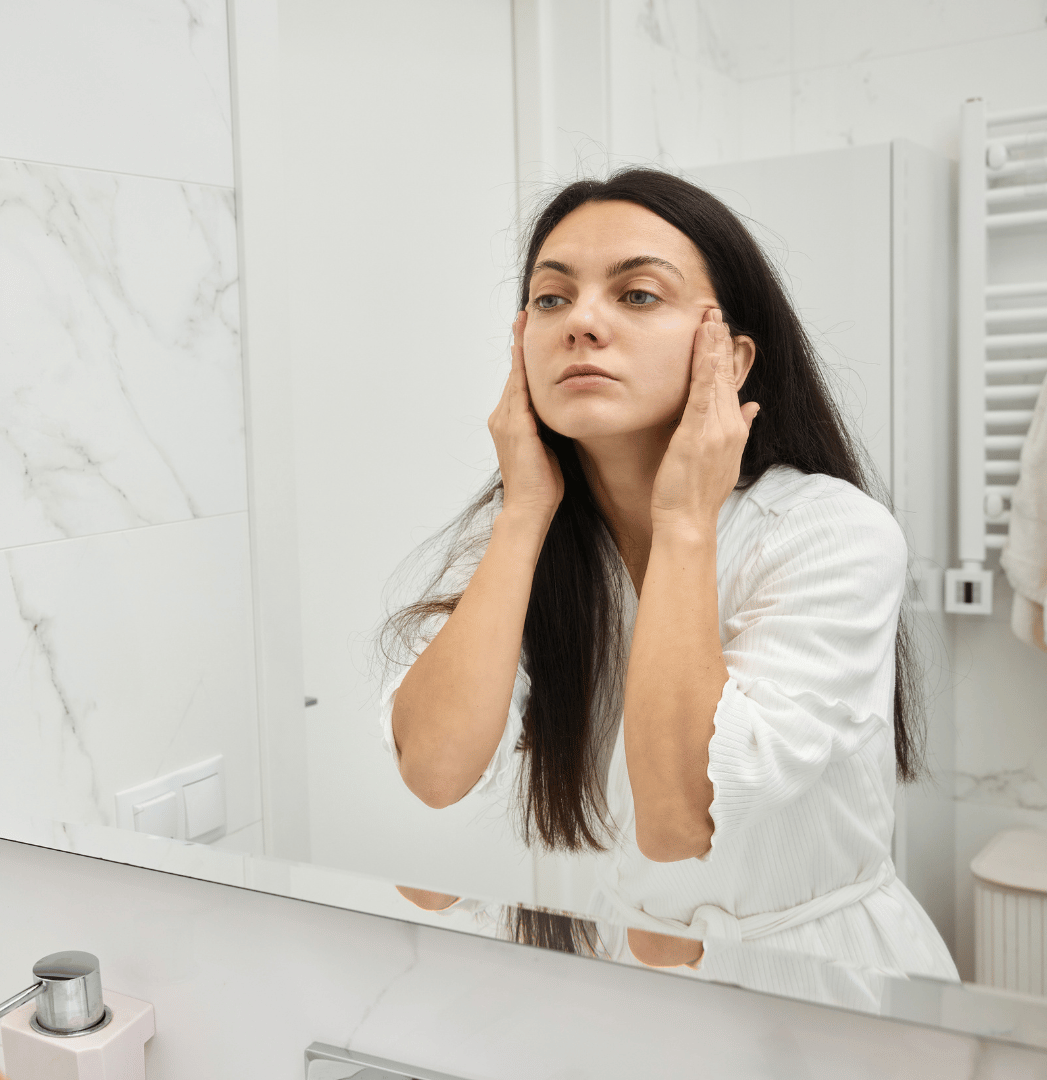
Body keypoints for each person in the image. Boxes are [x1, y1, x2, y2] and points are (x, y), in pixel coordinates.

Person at [376, 167, 959, 983]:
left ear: (734, 356)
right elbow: (434, 772)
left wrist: (685, 520)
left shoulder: (829, 532)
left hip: (829, 983)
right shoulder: (528, 540)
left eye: (638, 295)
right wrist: (520, 512)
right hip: (644, 986)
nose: (581, 322)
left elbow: (680, 819)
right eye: (551, 298)